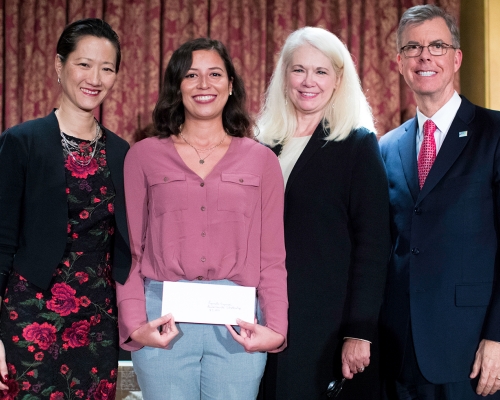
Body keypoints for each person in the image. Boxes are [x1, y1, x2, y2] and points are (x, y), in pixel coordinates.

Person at [116, 37, 288, 400]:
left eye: (215, 74)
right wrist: (135, 325)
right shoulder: (143, 156)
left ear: (230, 86)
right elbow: (128, 250)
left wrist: (276, 327)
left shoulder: (262, 161)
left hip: (237, 325)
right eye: (192, 75)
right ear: (176, 87)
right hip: (163, 319)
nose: (204, 84)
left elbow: (272, 257)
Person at [257, 26, 391, 400]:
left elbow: (374, 245)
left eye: (320, 71)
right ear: (284, 76)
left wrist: (358, 331)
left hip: (325, 326)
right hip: (260, 318)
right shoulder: (261, 143)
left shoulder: (357, 144)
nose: (308, 81)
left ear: (338, 80)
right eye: (298, 69)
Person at [0, 18, 130, 399]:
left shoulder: (122, 153)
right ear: (59, 65)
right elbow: (1, 242)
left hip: (98, 323)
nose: (95, 77)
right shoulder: (21, 142)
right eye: (84, 64)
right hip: (28, 315)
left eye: (107, 68)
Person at [379, 4, 500, 399]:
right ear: (399, 62)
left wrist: (498, 337)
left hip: (472, 353)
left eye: (436, 45)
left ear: (456, 57)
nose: (424, 56)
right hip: (399, 352)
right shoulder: (387, 146)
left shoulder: (494, 133)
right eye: (412, 48)